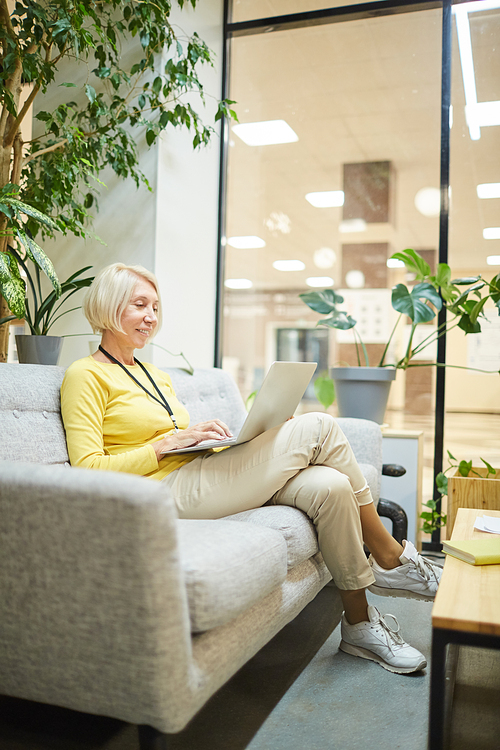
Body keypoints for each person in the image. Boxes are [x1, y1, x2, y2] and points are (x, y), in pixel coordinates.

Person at [61, 263, 442, 675]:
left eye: (155, 306)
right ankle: (388, 553)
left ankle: (360, 626)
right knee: (321, 425)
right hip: (164, 491)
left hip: (202, 470)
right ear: (108, 305)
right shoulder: (85, 375)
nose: (151, 316)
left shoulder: (154, 375)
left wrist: (196, 434)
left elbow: (172, 436)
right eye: (140, 305)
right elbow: (88, 467)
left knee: (331, 486)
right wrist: (165, 444)